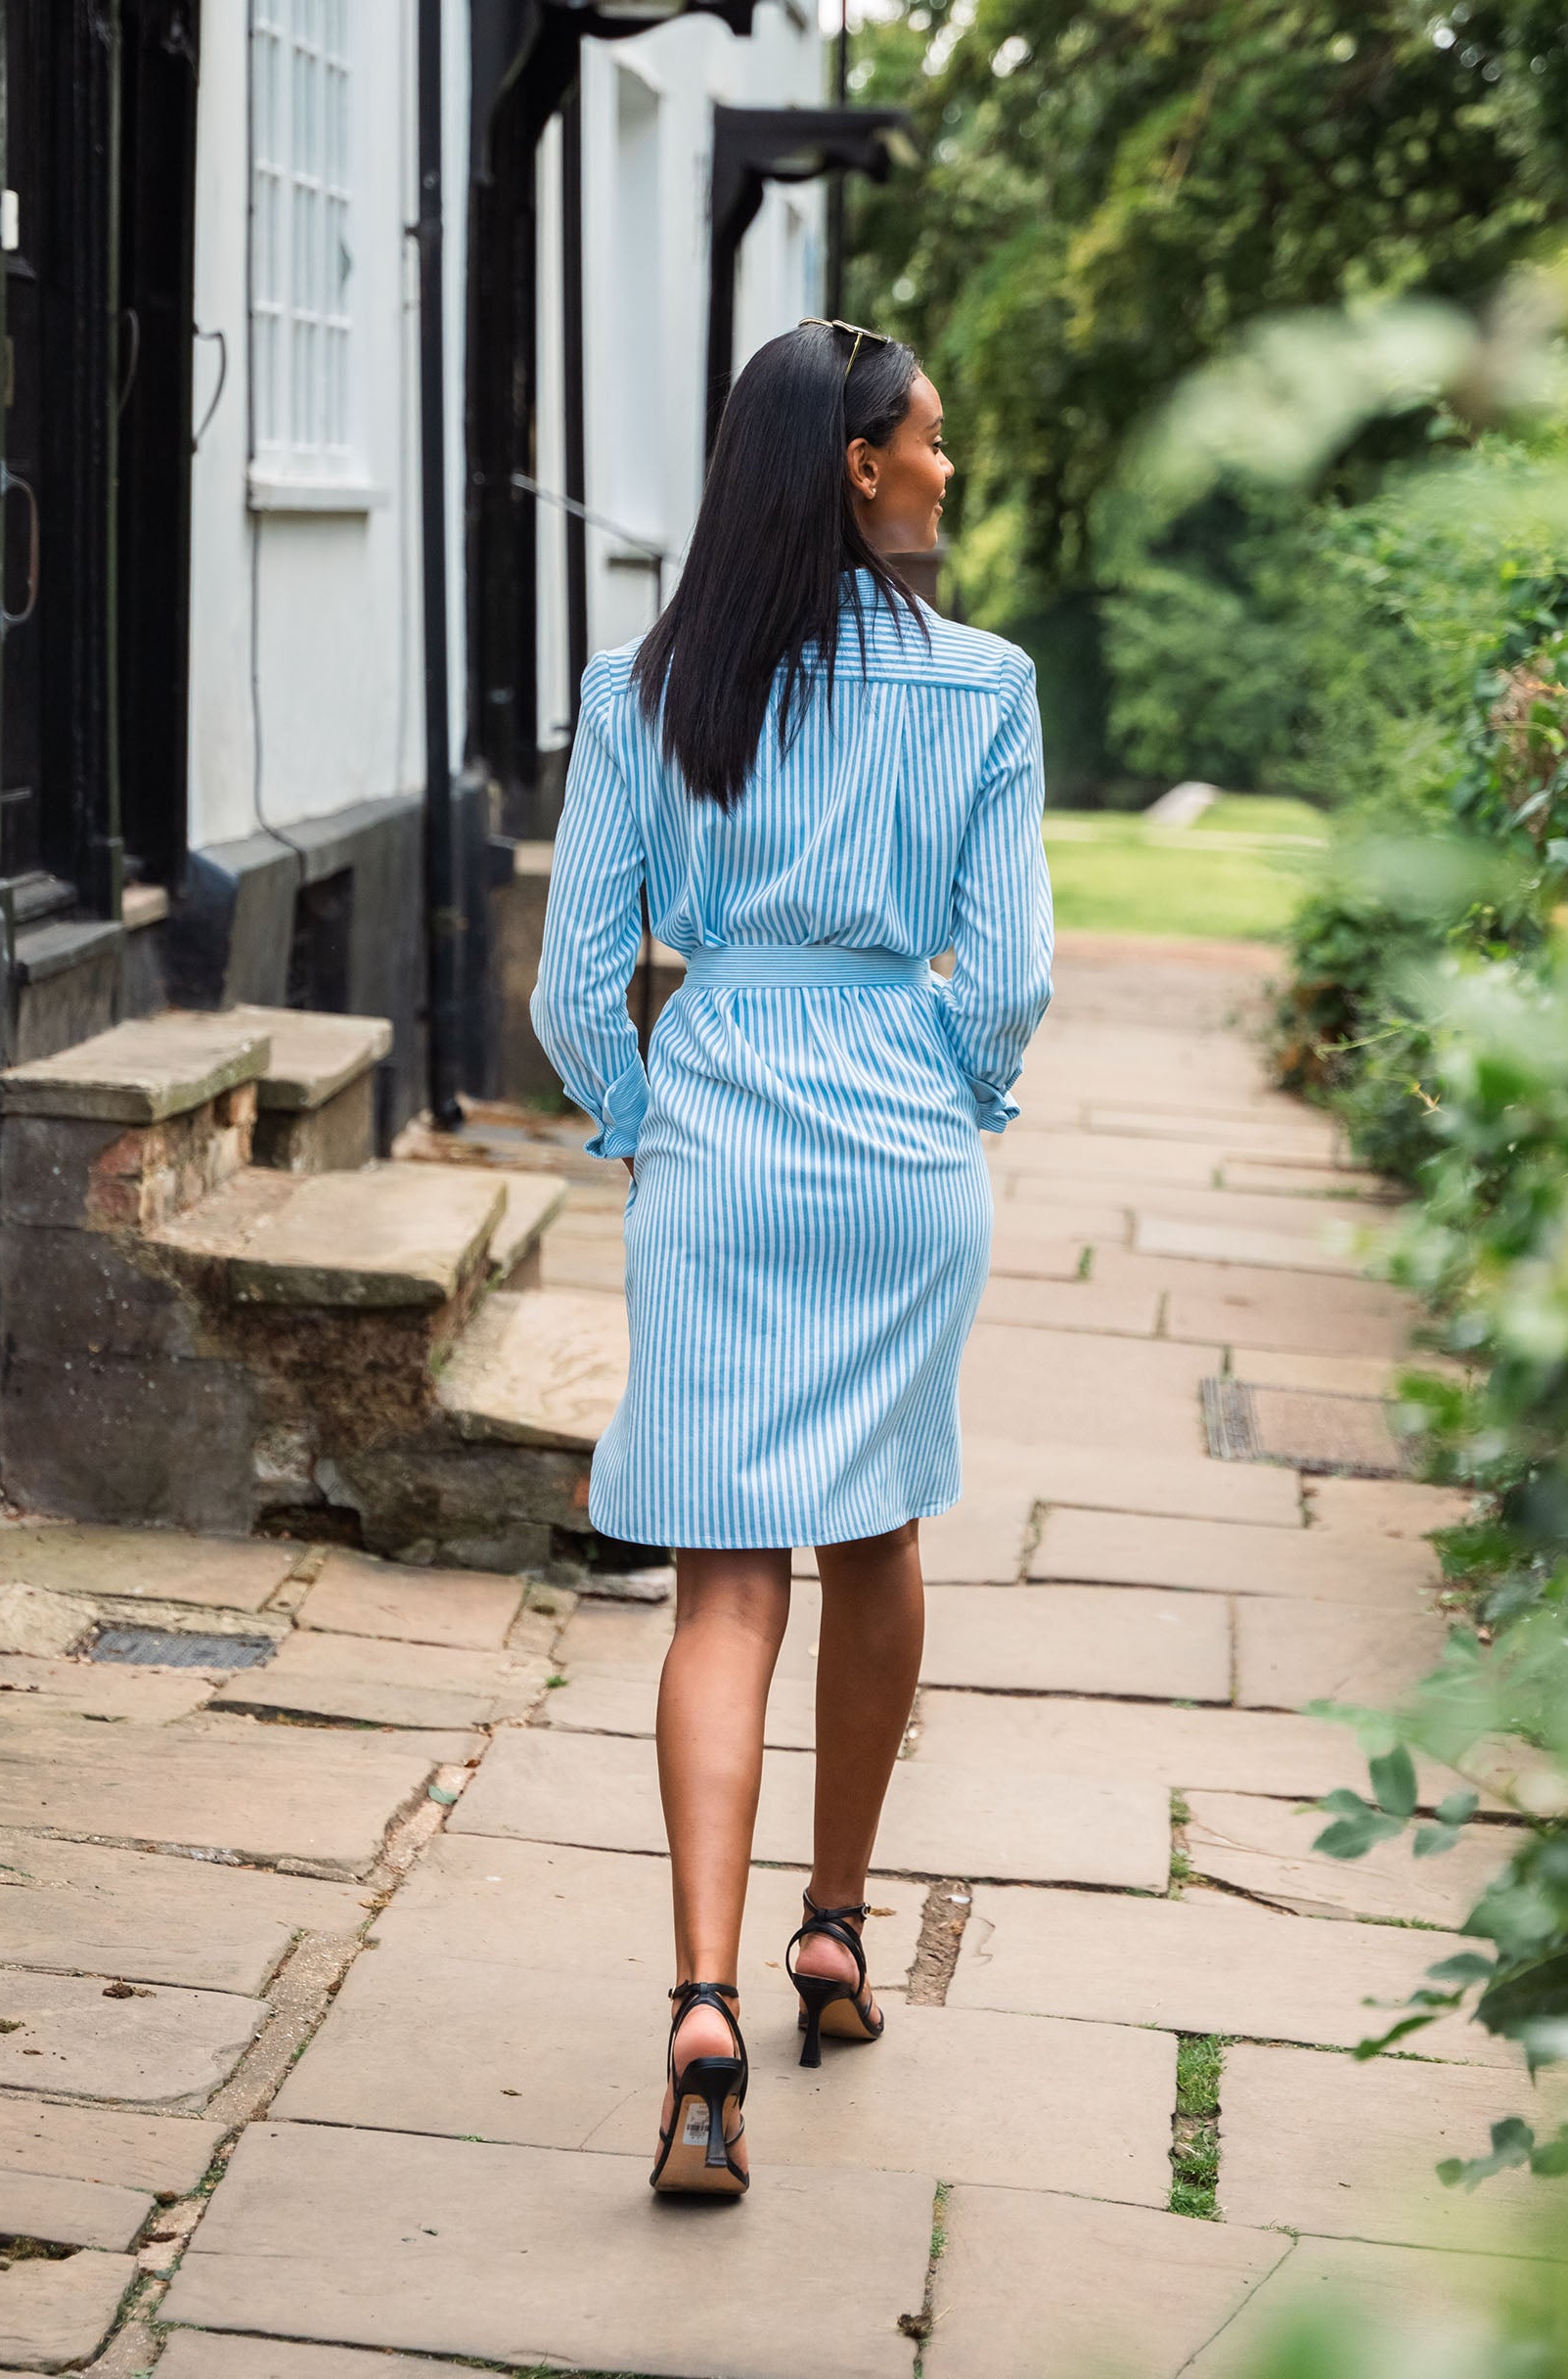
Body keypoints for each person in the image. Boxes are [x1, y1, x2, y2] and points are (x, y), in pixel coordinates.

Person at [531, 318, 1053, 2200]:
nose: (943, 469)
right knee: (880, 1543)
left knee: (722, 1588)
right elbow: (1008, 981)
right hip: (905, 1141)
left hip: (727, 1128)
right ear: (857, 466)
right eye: (929, 444)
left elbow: (578, 986)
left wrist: (645, 1116)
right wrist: (952, 1096)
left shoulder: (643, 689)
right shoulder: (980, 690)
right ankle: (835, 1931)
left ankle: (700, 2002)